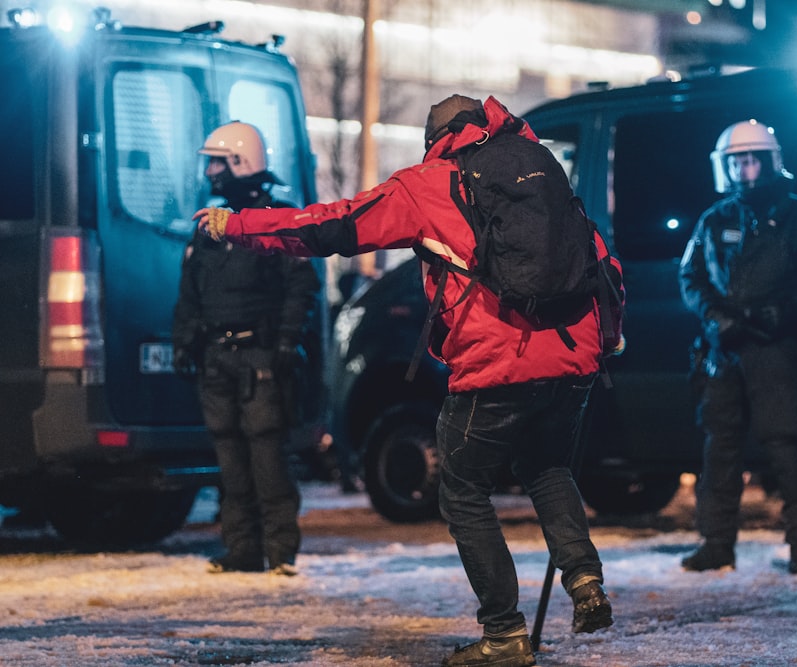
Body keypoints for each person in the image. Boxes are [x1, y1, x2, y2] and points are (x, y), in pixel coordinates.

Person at [193, 95, 624, 666]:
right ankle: (585, 579)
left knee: (463, 488)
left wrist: (244, 226)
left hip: (495, 365)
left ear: (436, 138)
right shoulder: (540, 173)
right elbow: (602, 262)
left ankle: (503, 634)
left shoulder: (429, 185)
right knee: (547, 467)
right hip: (573, 360)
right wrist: (607, 341)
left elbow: (336, 225)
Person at [678, 119, 797, 576]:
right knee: (720, 447)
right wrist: (715, 319)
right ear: (725, 167)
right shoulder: (714, 219)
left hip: (776, 348)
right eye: (738, 161)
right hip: (724, 348)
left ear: (772, 162)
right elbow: (690, 278)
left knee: (786, 445)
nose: (746, 169)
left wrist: (788, 311)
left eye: (754, 159)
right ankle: (716, 544)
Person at [172, 121, 320, 576]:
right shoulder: (210, 227)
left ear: (242, 162)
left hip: (260, 358)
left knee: (267, 457)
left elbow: (300, 289)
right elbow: (190, 293)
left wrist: (283, 344)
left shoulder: (279, 219)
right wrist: (184, 343)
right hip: (218, 358)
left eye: (218, 161)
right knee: (230, 461)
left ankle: (280, 554)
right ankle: (241, 550)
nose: (211, 171)